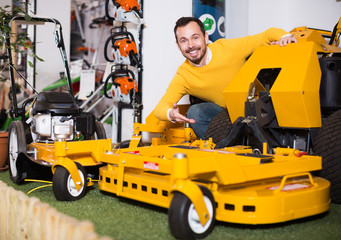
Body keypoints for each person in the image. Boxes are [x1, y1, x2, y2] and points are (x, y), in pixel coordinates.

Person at [153, 17, 297, 139]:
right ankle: (221, 148)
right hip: (227, 115)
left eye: (195, 38)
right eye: (184, 41)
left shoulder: (228, 49)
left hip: (257, 108)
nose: (191, 45)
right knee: (195, 113)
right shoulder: (184, 75)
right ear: (178, 46)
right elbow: (160, 109)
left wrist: (285, 37)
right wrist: (170, 113)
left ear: (206, 37)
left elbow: (266, 35)